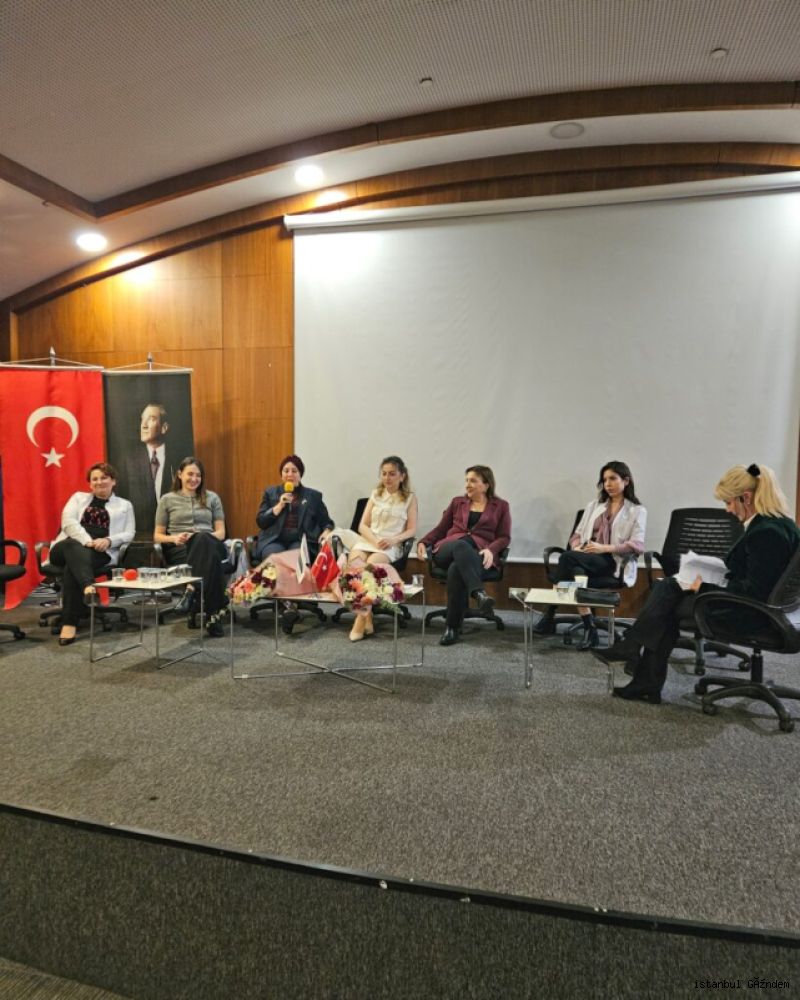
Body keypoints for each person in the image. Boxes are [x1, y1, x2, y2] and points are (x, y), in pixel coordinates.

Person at [593, 463, 800, 703]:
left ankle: (636, 658)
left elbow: (754, 592)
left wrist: (702, 587)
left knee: (667, 598)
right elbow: (755, 578)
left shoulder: (766, 533)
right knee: (669, 589)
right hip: (769, 609)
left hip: (754, 614)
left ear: (746, 497)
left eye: (729, 502)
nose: (728, 510)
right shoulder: (778, 524)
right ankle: (638, 664)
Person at [534, 461, 646, 649]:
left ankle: (550, 613)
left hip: (612, 561)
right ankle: (590, 628)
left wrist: (605, 548)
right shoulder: (594, 506)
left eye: (613, 479)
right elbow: (576, 535)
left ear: (626, 481)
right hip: (587, 556)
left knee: (567, 558)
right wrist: (578, 547)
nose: (608, 484)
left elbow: (637, 545)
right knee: (577, 570)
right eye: (605, 480)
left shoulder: (637, 510)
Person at [323, 455, 418, 642]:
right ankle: (367, 615)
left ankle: (360, 619)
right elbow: (362, 525)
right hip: (368, 540)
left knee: (369, 570)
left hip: (390, 545)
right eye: (384, 474)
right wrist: (374, 540)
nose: (387, 478)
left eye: (392, 474)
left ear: (402, 476)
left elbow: (412, 529)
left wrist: (393, 539)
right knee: (353, 568)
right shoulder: (376, 494)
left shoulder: (409, 498)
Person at [417, 465, 511, 646]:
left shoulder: (501, 506)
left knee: (456, 570)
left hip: (477, 555)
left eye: (473, 481)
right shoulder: (457, 502)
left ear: (486, 485)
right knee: (461, 545)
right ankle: (478, 593)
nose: (467, 484)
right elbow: (441, 529)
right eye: (467, 480)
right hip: (447, 550)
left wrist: (491, 550)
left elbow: (504, 537)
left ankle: (452, 628)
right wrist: (423, 542)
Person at [49, 462, 135, 646]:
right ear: (90, 483)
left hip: (100, 551)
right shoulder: (78, 498)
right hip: (65, 547)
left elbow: (130, 533)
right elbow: (68, 522)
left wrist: (109, 540)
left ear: (113, 481)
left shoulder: (125, 505)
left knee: (72, 568)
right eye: (94, 479)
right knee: (72, 545)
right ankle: (88, 585)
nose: (99, 482)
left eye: (104, 477)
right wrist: (87, 541)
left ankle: (69, 623)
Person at [154, 457, 228, 638]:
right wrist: (174, 538)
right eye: (190, 474)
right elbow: (157, 536)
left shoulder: (212, 498)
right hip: (181, 549)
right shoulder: (167, 500)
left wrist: (201, 537)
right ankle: (213, 615)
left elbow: (221, 533)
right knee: (210, 561)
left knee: (203, 539)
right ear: (179, 474)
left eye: (198, 475)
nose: (194, 479)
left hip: (212, 544)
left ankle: (191, 589)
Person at [254, 455, 333, 563]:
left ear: (300, 474)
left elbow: (327, 522)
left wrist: (327, 531)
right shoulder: (270, 493)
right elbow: (261, 521)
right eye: (286, 471)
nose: (290, 474)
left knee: (297, 558)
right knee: (274, 558)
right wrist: (279, 506)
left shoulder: (313, 496)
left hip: (301, 540)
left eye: (294, 471)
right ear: (281, 475)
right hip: (274, 540)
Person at [123, 403, 177, 539]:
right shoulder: (128, 461)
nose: (144, 425)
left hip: (173, 534)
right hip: (139, 535)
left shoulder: (179, 459)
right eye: (143, 419)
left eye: (151, 419)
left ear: (164, 428)